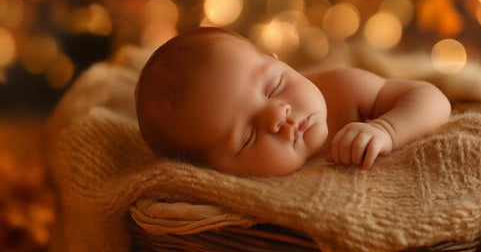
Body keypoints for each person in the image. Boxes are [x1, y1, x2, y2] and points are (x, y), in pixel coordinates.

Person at [134, 27, 452, 177]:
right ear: (214, 171)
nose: (277, 115)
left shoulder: (345, 91)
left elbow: (431, 99)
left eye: (274, 86)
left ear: (280, 62)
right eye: (247, 137)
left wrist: (386, 129)